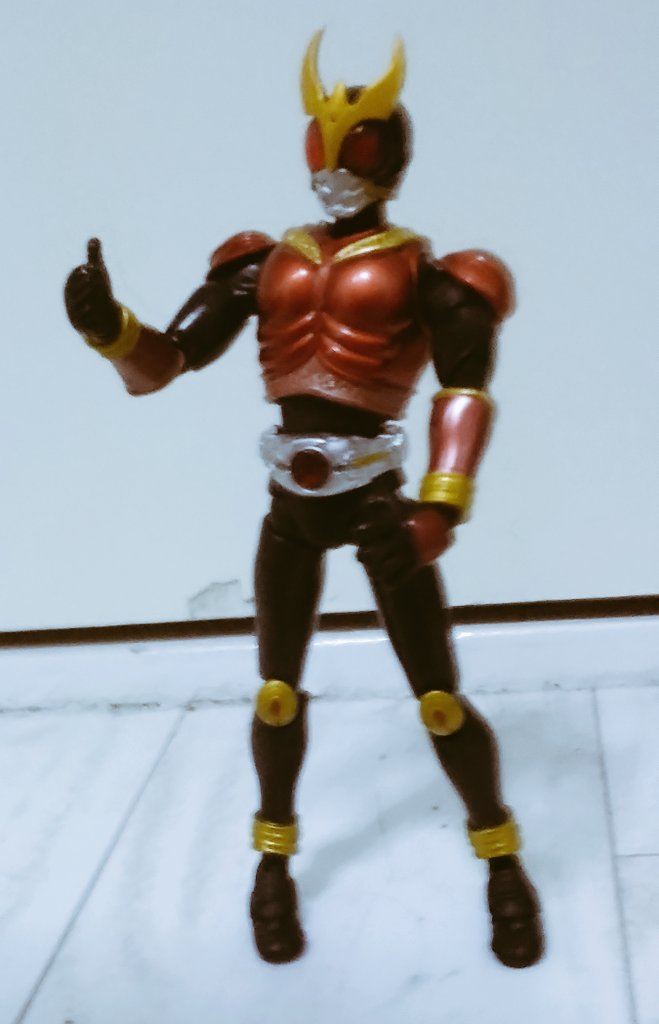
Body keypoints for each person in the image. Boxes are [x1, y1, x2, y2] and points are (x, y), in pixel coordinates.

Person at [64, 31, 543, 969]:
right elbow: (168, 362)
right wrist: (109, 328)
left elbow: (463, 392)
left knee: (438, 701)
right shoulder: (263, 264)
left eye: (356, 145)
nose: (336, 165)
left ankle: (499, 854)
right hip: (289, 502)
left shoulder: (432, 277)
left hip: (378, 507)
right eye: (323, 143)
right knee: (277, 696)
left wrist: (439, 510)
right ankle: (272, 863)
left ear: (391, 155)